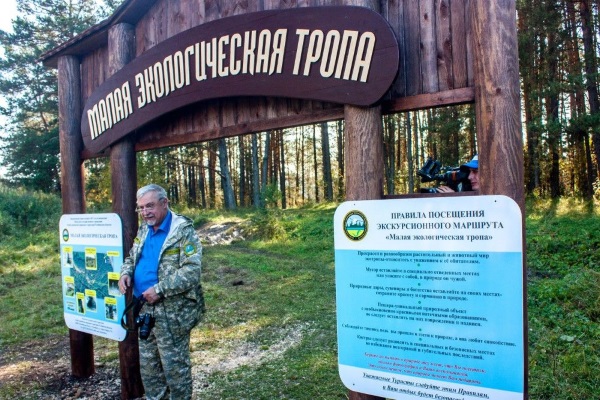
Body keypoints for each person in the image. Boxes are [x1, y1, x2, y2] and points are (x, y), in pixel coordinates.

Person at [119, 184, 204, 400]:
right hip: (143, 310)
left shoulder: (182, 230)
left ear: (164, 203)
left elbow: (192, 271)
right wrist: (126, 273)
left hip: (172, 313)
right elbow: (132, 257)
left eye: (150, 206)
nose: (145, 212)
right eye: (141, 208)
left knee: (176, 371)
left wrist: (160, 289)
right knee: (150, 371)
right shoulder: (144, 228)